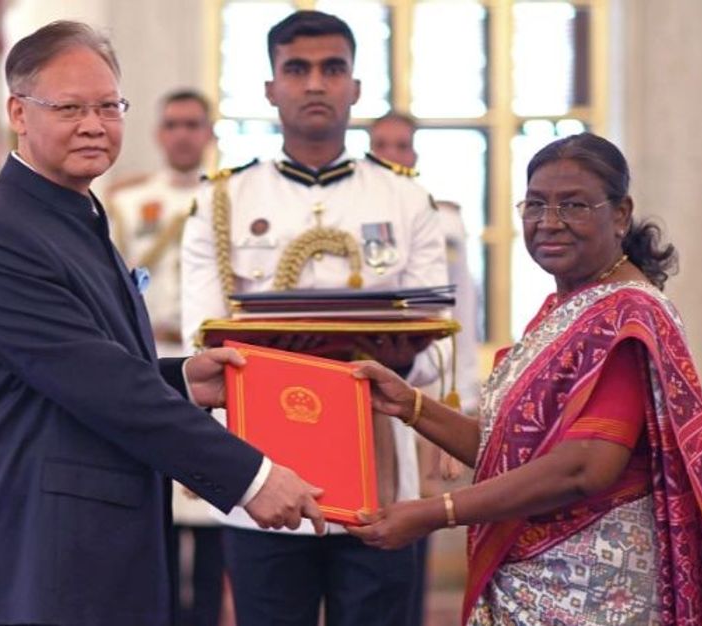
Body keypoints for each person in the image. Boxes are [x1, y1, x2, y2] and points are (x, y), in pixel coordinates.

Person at [0, 21, 324, 626]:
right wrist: (252, 477)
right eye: (69, 108)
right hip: (46, 557)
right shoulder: (2, 234)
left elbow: (84, 370)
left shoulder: (72, 211)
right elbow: (103, 388)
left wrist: (183, 379)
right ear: (17, 112)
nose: (94, 125)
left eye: (108, 106)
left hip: (92, 545)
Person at [349, 133, 702, 624]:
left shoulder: (626, 316)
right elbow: (512, 454)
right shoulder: (566, 308)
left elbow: (583, 467)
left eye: (573, 205)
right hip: (535, 584)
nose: (549, 222)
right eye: (535, 205)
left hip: (593, 591)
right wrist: (411, 406)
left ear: (620, 214)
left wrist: (435, 512)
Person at [181, 11, 449, 626]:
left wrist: (400, 361)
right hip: (263, 467)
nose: (315, 84)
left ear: (356, 87)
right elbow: (205, 337)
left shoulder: (405, 198)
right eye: (296, 69)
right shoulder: (223, 199)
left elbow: (439, 338)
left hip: (379, 470)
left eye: (332, 68)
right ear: (270, 87)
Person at [107, 89, 224, 626]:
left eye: (193, 124)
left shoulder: (229, 198)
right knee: (158, 517)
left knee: (217, 511)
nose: (182, 134)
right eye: (173, 124)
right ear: (158, 133)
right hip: (151, 360)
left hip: (214, 363)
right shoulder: (128, 202)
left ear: (209, 134)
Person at [369, 109, 482, 626]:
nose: (392, 155)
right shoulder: (353, 212)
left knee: (417, 510)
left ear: (414, 154)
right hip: (367, 384)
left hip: (426, 388)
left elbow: (460, 316)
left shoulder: (443, 220)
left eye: (402, 145)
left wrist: (460, 397)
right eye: (382, 145)